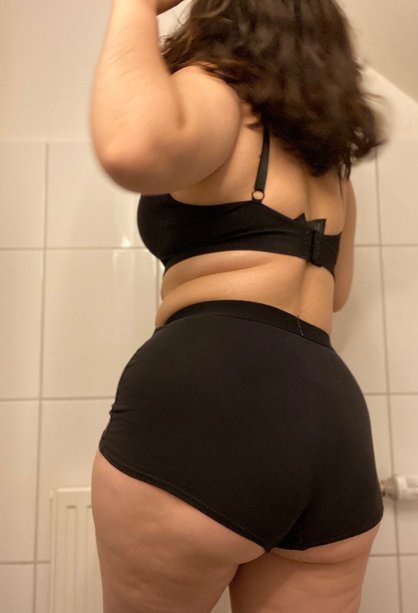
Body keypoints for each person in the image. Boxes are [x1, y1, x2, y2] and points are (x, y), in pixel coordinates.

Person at [89, 0, 388, 611]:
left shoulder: (217, 88)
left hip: (211, 399)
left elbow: (129, 147)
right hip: (332, 421)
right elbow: (338, 289)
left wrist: (134, 4)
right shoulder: (330, 163)